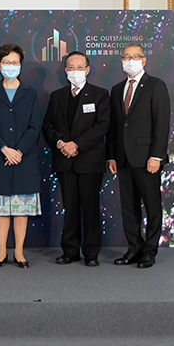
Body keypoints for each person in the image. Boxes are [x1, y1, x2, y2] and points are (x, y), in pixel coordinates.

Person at [42, 51, 110, 266]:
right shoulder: (57, 96)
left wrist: (77, 145)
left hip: (89, 160)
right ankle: (70, 250)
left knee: (90, 207)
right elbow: (48, 126)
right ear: (65, 70)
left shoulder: (100, 94)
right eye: (71, 67)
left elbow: (102, 126)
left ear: (87, 70)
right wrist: (61, 143)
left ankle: (91, 253)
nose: (75, 71)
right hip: (64, 159)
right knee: (70, 207)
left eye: (79, 67)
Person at [106, 42, 170, 269]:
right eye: (126, 57)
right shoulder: (116, 90)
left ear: (144, 60)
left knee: (152, 207)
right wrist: (111, 156)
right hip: (122, 158)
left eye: (135, 56)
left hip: (147, 159)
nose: (130, 60)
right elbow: (114, 127)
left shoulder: (155, 86)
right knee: (128, 207)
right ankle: (134, 248)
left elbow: (161, 124)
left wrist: (156, 156)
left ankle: (149, 252)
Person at [0, 44, 42, 268]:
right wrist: (5, 149)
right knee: (2, 211)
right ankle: (1, 253)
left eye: (15, 62)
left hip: (24, 159)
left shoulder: (30, 92)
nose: (11, 67)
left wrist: (19, 151)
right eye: (6, 63)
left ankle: (19, 253)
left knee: (21, 210)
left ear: (20, 65)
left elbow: (35, 126)